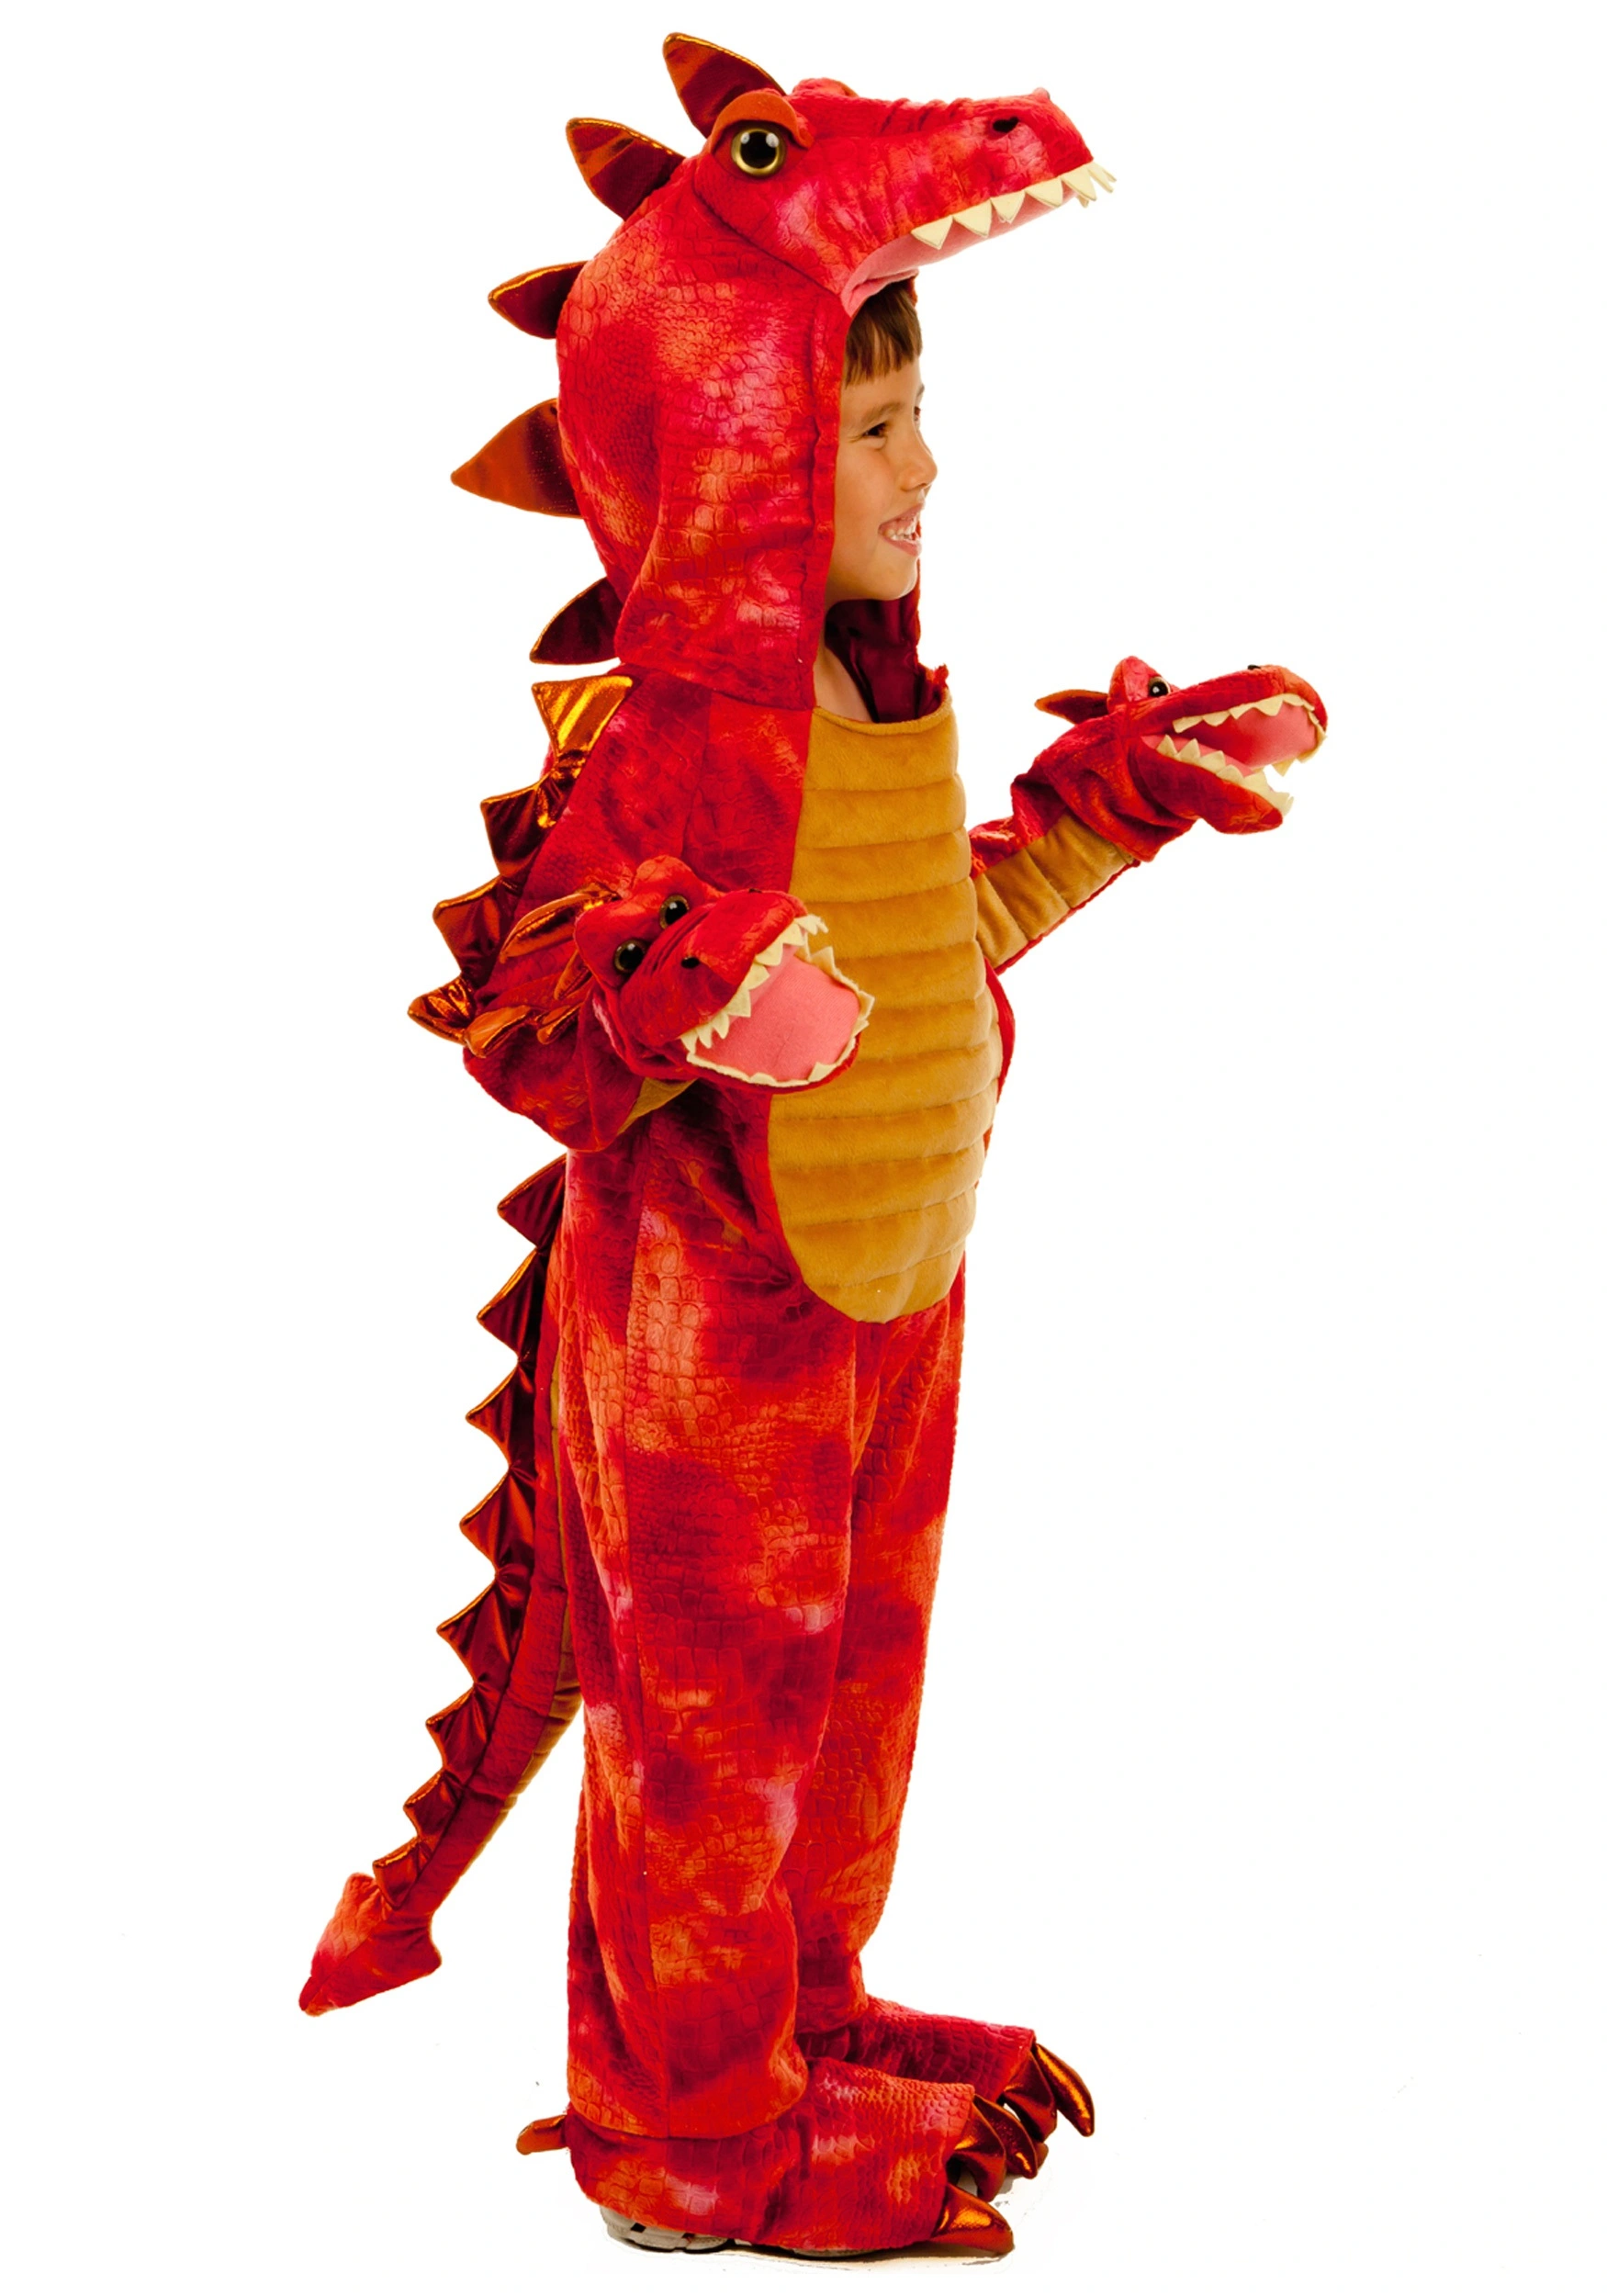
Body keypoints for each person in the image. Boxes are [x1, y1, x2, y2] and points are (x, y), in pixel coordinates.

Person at [301, 40, 1325, 2262]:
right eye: (865, 432)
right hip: (716, 1325)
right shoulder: (664, 741)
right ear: (731, 443)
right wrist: (681, 984)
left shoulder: (868, 695)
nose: (917, 468)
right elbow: (522, 1015)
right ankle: (681, 2136)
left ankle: (800, 2015)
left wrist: (1123, 797)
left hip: (897, 1275)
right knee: (708, 1734)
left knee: (849, 1700)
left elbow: (927, 933)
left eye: (911, 417)